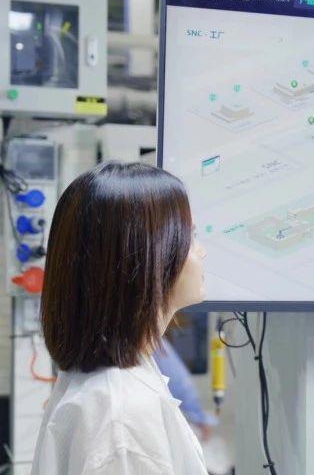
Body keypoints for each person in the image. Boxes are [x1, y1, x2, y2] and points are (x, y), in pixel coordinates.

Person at [32, 162, 209, 473]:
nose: (202, 252)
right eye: (191, 236)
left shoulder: (114, 380)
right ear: (152, 255)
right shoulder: (124, 420)